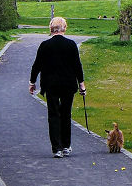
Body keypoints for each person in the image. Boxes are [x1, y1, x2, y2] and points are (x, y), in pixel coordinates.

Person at [29, 17, 86, 158]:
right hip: (68, 85)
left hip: (51, 85)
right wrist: (82, 84)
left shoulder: (45, 45)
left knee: (53, 115)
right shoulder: (71, 45)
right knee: (66, 114)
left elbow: (37, 65)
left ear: (51, 28)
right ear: (64, 28)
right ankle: (66, 146)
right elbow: (77, 66)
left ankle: (57, 148)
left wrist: (32, 82)